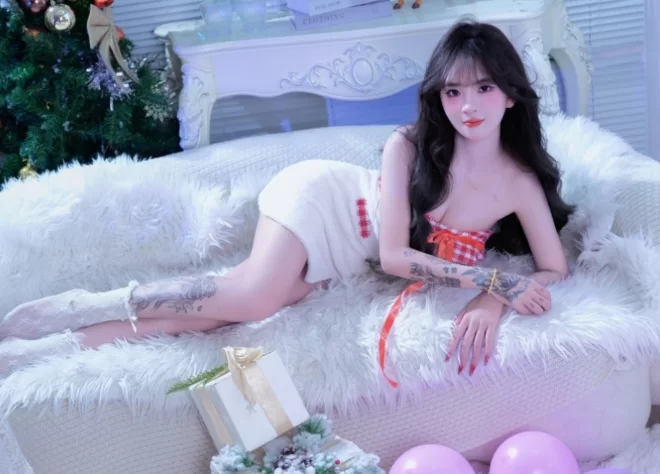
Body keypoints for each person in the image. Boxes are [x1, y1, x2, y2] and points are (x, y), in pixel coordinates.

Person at [0, 20, 573, 380]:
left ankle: (53, 347)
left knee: (217, 314)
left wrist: (493, 303)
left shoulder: (519, 182)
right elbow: (396, 257)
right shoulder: (410, 145)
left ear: (511, 96)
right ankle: (92, 304)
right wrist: (493, 282)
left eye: (484, 88)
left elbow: (554, 268)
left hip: (346, 262)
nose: (467, 106)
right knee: (253, 298)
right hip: (326, 201)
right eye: (453, 90)